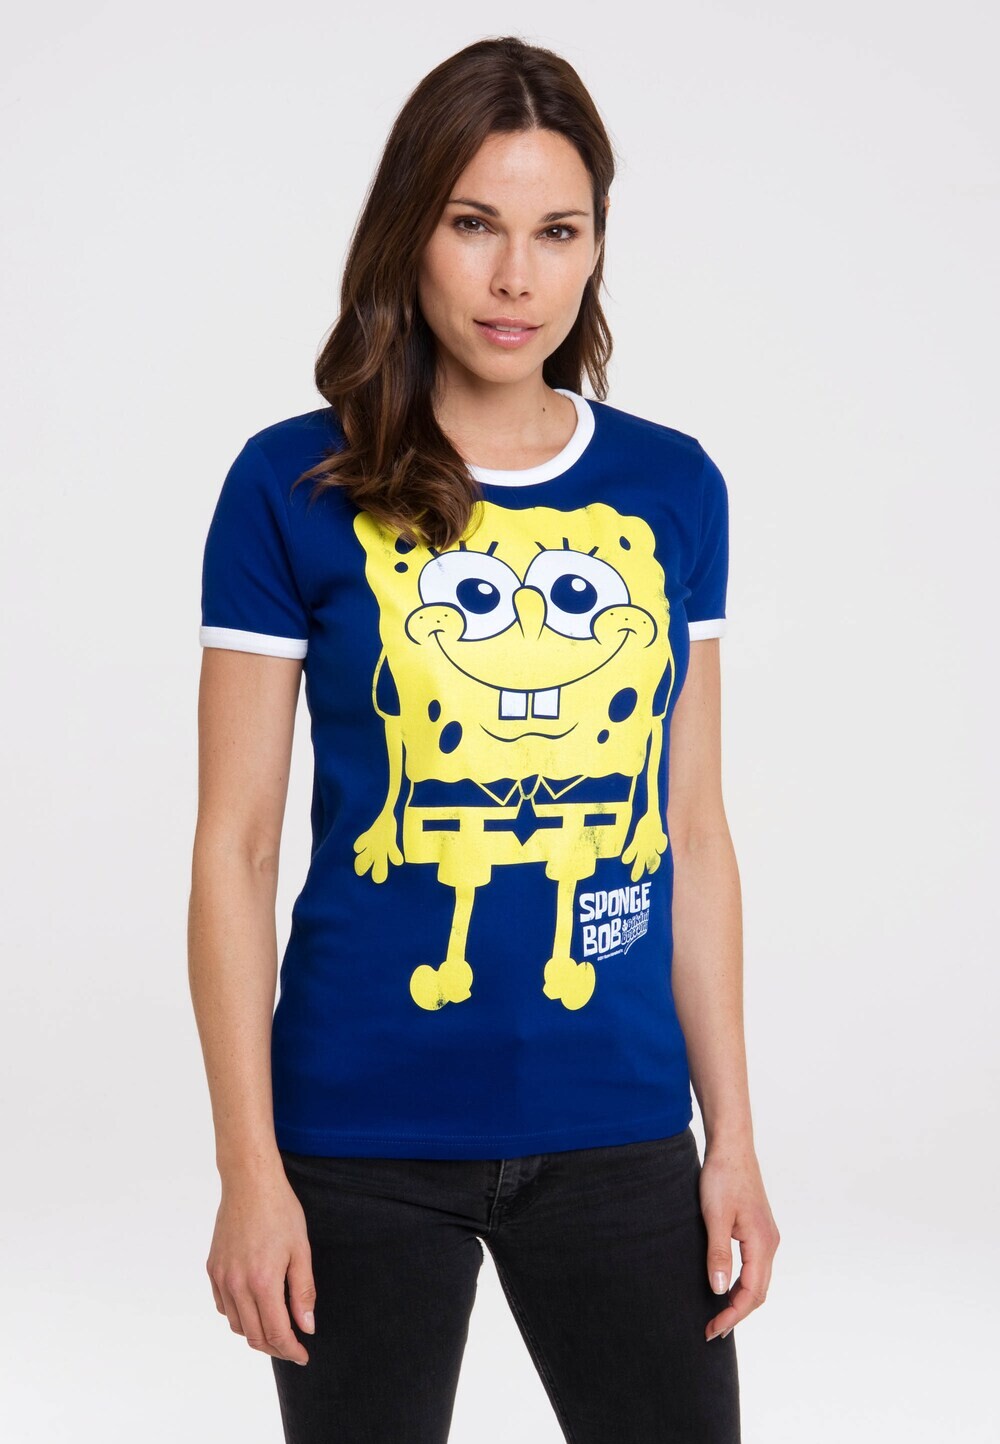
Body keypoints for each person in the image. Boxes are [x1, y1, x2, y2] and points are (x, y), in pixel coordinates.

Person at [188, 33, 779, 1444]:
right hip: (357, 1138)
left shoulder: (670, 488)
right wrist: (249, 1171)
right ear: (411, 231)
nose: (516, 277)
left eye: (556, 231)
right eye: (474, 225)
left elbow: (692, 831)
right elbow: (236, 847)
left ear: (595, 247)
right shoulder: (292, 484)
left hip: (620, 1124)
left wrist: (735, 1139)